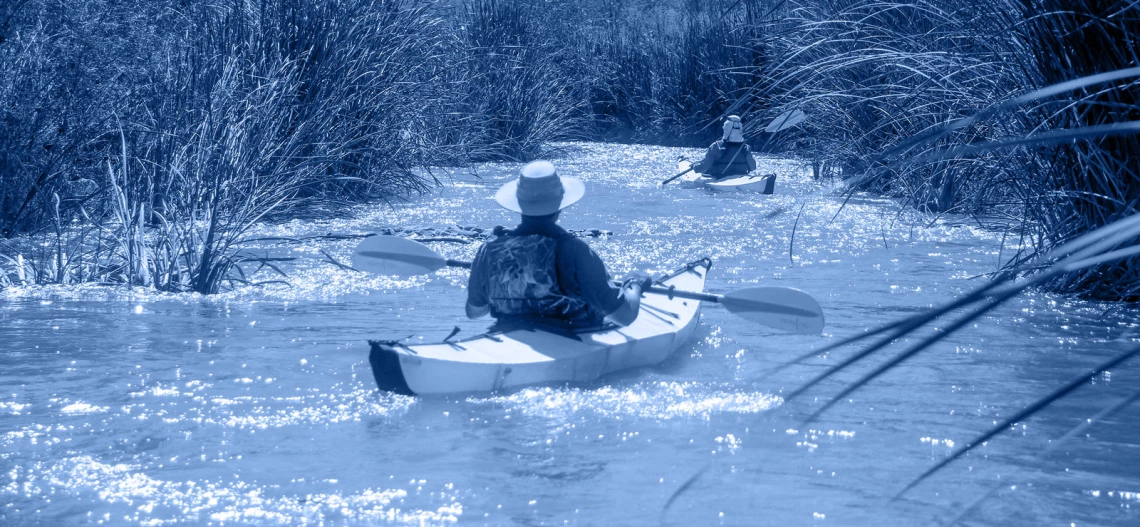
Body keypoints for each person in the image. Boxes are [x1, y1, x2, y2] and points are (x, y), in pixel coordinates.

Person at [465, 160, 651, 331]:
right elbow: (624, 316)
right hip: (570, 336)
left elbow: (475, 312)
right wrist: (634, 283)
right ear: (560, 202)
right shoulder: (576, 251)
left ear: (519, 203)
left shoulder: (489, 250)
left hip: (509, 332)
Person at [691, 115, 757, 179]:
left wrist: (695, 167)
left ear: (725, 129)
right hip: (740, 177)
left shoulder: (716, 146)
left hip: (719, 178)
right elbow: (753, 167)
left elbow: (704, 167)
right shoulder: (745, 148)